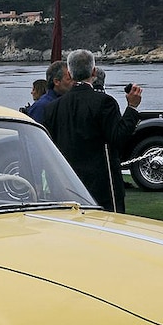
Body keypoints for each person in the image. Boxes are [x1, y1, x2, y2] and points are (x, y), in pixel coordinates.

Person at [42, 49, 142, 213]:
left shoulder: (52, 108)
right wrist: (132, 109)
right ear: (94, 72)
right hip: (102, 183)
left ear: (70, 72)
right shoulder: (104, 102)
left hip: (65, 181)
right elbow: (118, 137)